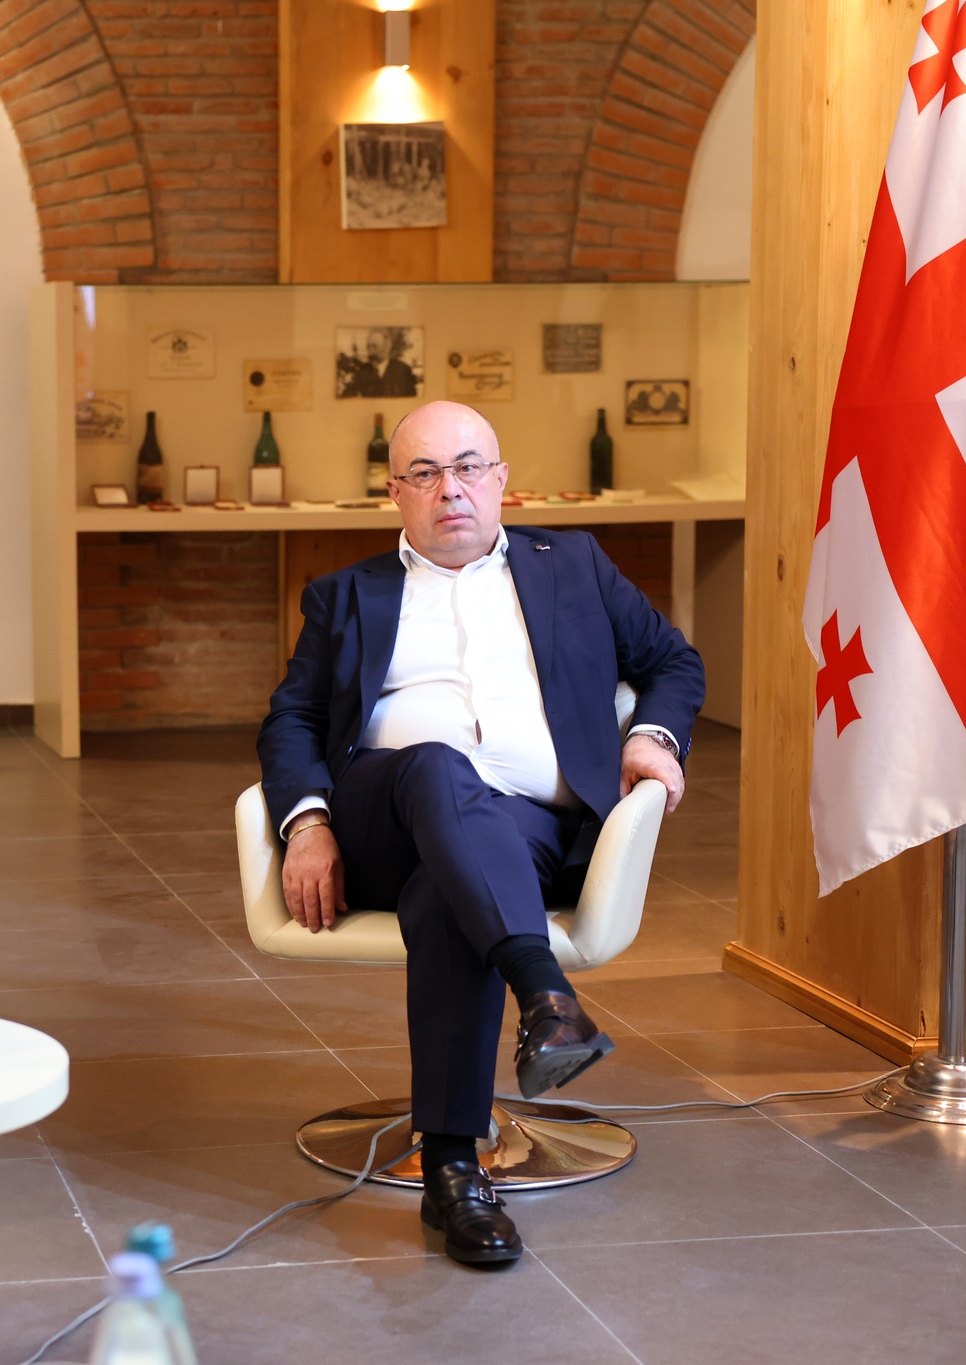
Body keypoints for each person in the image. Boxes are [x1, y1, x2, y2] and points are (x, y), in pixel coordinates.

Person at [256, 401, 702, 1269]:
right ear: (396, 493)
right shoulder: (345, 593)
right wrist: (307, 823)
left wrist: (653, 735)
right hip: (385, 815)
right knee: (433, 763)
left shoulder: (575, 565)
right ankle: (545, 993)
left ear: (500, 480)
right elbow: (292, 719)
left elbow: (672, 661)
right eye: (425, 473)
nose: (449, 488)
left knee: (446, 894)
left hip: (529, 830)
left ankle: (454, 1171)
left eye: (467, 467)